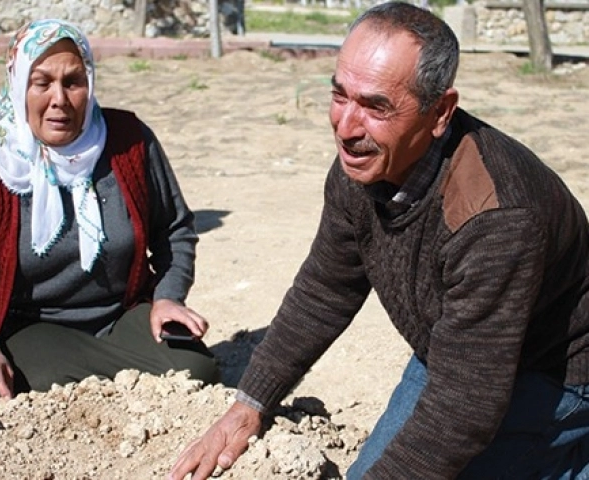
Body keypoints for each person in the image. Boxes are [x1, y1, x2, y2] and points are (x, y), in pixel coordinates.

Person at [170, 2, 589, 479]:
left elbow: (465, 408)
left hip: (552, 374)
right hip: (455, 352)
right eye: (339, 95)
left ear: (440, 112)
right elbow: (324, 291)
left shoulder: (496, 218)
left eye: (375, 106)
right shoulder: (364, 165)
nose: (346, 128)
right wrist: (249, 403)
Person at [0, 19, 219, 410]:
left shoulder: (128, 142)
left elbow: (175, 231)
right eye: (42, 83)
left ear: (90, 83)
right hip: (27, 327)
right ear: (18, 86)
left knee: (195, 369)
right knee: (36, 388)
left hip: (120, 316)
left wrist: (167, 298)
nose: (59, 99)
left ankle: (107, 378)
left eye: (73, 81)